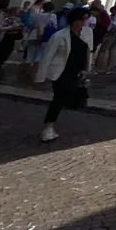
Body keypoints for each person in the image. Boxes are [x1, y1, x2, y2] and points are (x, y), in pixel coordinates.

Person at [36, 7, 91, 142]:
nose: (85, 22)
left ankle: (50, 126)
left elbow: (88, 53)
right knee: (59, 99)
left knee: (65, 99)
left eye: (86, 19)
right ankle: (48, 127)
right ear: (75, 20)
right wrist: (41, 76)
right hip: (60, 71)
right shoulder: (59, 35)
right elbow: (47, 56)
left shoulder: (87, 33)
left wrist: (85, 70)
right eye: (83, 19)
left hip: (76, 72)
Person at [0, 7, 24, 80]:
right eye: (18, 11)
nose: (19, 13)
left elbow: (21, 26)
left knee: (8, 50)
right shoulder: (5, 18)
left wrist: (18, 27)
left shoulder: (17, 19)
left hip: (12, 37)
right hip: (5, 36)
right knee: (2, 51)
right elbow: (3, 27)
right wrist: (13, 27)